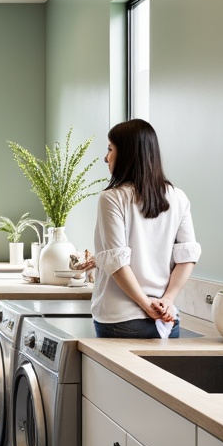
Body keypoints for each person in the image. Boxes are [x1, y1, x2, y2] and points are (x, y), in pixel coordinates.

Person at [83, 119, 201, 338]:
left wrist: (147, 305)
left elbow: (118, 264)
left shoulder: (112, 198)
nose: (105, 157)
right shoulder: (178, 197)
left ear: (126, 153)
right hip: (166, 320)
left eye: (110, 149)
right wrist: (167, 300)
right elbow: (187, 258)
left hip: (120, 319)